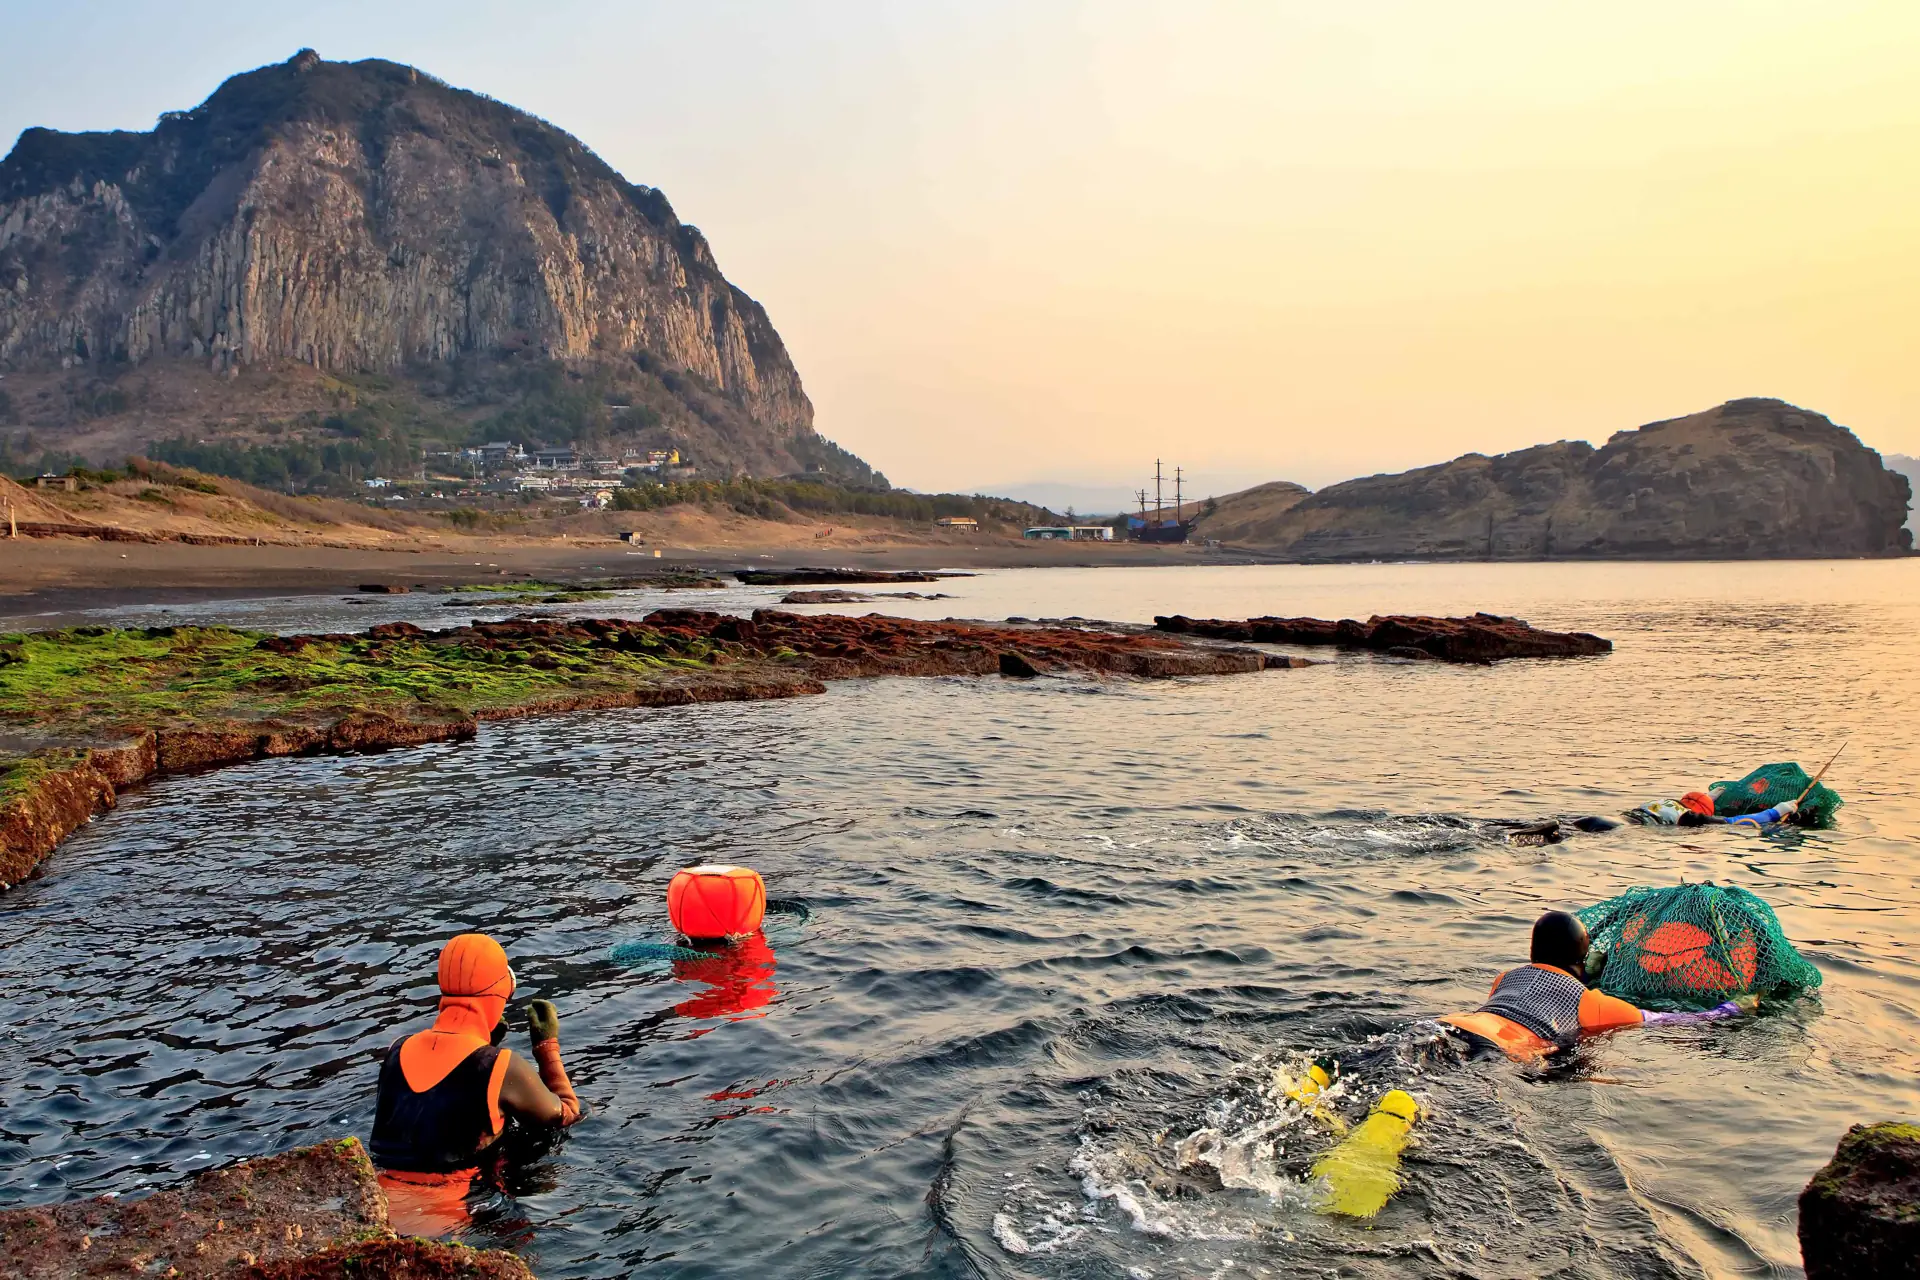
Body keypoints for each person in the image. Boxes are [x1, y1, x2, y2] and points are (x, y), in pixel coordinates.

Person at [370, 933, 586, 1223]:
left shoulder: (397, 1048)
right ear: (498, 995)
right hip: (451, 1210)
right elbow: (567, 1113)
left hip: (377, 1200)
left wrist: (486, 1045)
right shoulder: (502, 1066)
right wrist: (547, 1048)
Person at [1439, 910, 1751, 1060]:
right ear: (1582, 958)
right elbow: (1675, 1021)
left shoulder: (1505, 978)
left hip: (1446, 1025)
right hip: (1496, 1049)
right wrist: (1733, 1007)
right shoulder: (1591, 1003)